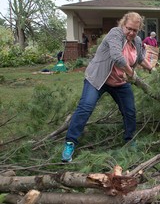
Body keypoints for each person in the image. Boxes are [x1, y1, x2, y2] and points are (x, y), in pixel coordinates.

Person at [62, 12, 154, 162]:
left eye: (135, 30)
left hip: (119, 82)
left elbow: (140, 58)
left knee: (129, 111)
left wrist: (152, 70)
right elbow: (117, 57)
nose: (131, 33)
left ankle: (129, 140)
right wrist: (132, 75)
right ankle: (70, 143)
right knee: (86, 107)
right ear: (123, 25)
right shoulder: (115, 34)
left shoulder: (136, 40)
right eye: (129, 28)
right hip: (98, 79)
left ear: (139, 30)